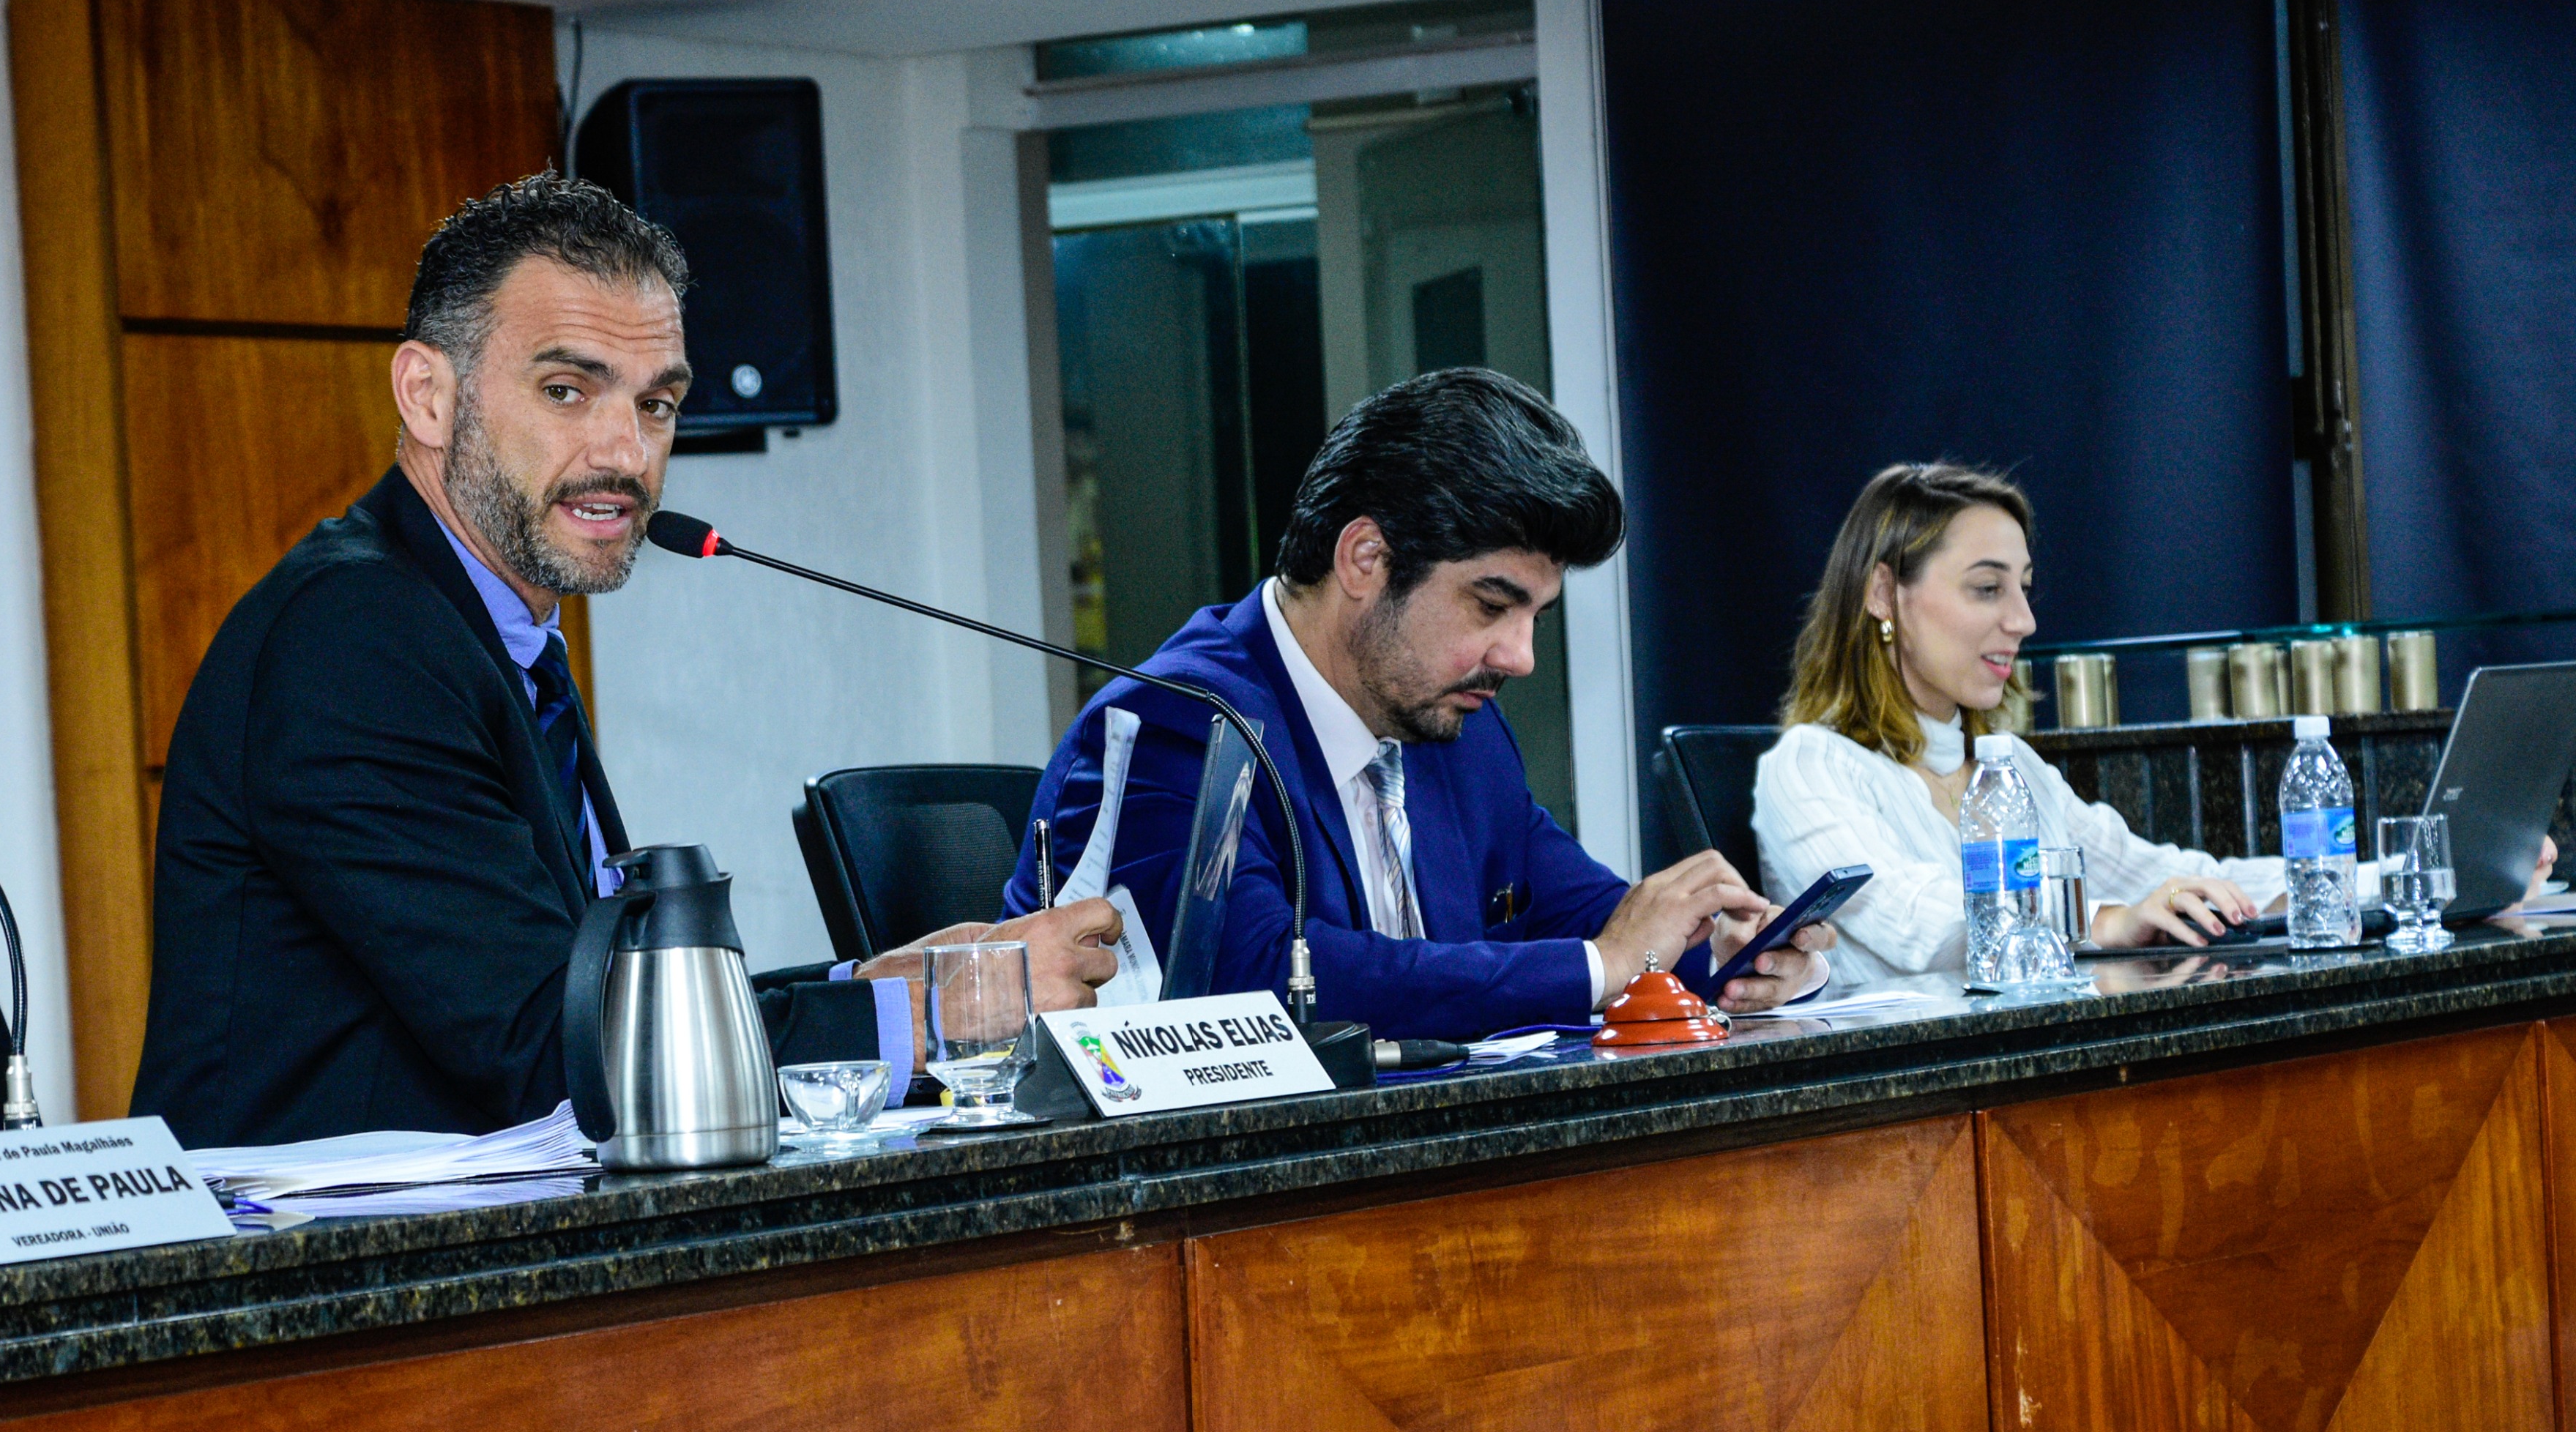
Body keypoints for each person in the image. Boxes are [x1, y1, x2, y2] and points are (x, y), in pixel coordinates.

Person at [135, 173, 1116, 1145]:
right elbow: (550, 1048)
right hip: (315, 1243)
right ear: (428, 396)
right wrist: (937, 1013)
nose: (626, 454)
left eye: (656, 404)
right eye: (567, 391)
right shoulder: (355, 641)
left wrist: (890, 986)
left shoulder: (487, 634)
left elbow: (601, 1001)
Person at [1003, 368, 1831, 1042]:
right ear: (1365, 558)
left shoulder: (1458, 726)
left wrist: (1724, 952)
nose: (1519, 657)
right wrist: (1604, 964)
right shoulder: (1178, 724)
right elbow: (1249, 984)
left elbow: (1587, 916)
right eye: (1489, 605)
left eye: (1534, 617)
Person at [1752, 461, 2551, 985]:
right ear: (1883, 594)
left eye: (2024, 586)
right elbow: (1915, 917)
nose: (2024, 619)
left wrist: (2422, 877)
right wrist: (2108, 920)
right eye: (1987, 588)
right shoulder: (1808, 765)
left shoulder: (2010, 767)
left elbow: (2164, 874)